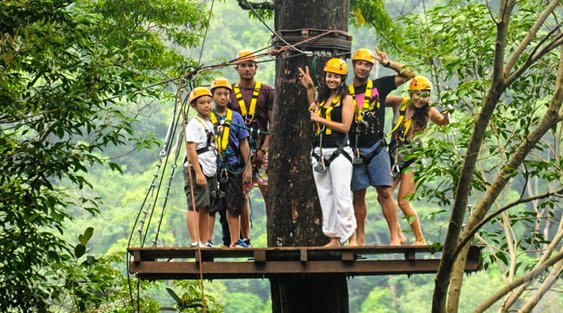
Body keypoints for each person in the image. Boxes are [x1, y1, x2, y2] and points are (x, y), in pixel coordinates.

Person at [348, 48, 413, 246]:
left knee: (384, 191)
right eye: (360, 63)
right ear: (354, 65)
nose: (363, 67)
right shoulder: (345, 91)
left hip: (376, 146)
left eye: (367, 64)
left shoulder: (379, 86)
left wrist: (388, 63)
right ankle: (360, 238)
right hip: (355, 148)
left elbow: (410, 74)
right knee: (358, 194)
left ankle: (395, 236)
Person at [299, 58, 357, 247]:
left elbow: (345, 126)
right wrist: (309, 89)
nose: (331, 79)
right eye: (329, 76)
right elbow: (314, 109)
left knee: (342, 195)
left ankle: (351, 237)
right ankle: (334, 237)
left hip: (339, 151)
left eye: (336, 77)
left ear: (342, 79)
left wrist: (322, 121)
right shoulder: (322, 98)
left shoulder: (347, 99)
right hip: (320, 151)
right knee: (326, 196)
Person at [386, 76, 449, 245]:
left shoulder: (428, 111)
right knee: (383, 195)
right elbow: (377, 97)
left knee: (403, 201)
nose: (421, 99)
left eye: (425, 96)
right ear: (411, 93)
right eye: (418, 95)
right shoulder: (400, 103)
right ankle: (398, 234)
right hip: (394, 155)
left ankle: (420, 238)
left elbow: (442, 123)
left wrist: (447, 113)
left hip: (413, 158)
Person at [228, 49, 275, 247]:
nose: (247, 69)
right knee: (242, 194)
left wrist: (264, 149)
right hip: (240, 150)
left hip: (262, 146)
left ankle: (274, 236)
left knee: (268, 191)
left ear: (256, 67)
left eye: (250, 65)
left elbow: (273, 124)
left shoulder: (267, 91)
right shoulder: (229, 93)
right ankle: (245, 237)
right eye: (243, 66)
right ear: (236, 67)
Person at [206, 77, 253, 248]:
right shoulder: (207, 117)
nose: (223, 97)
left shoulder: (236, 118)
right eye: (219, 94)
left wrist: (248, 168)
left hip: (232, 166)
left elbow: (243, 143)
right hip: (212, 167)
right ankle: (207, 240)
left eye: (226, 94)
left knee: (234, 204)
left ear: (230, 96)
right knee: (211, 204)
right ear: (213, 96)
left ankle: (235, 240)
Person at [183, 87, 217, 247]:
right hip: (197, 167)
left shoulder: (209, 123)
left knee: (206, 206)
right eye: (202, 103)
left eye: (208, 102)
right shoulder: (193, 125)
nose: (206, 106)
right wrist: (198, 172)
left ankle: (204, 240)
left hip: (209, 165)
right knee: (195, 204)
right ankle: (195, 240)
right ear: (194, 106)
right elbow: (190, 149)